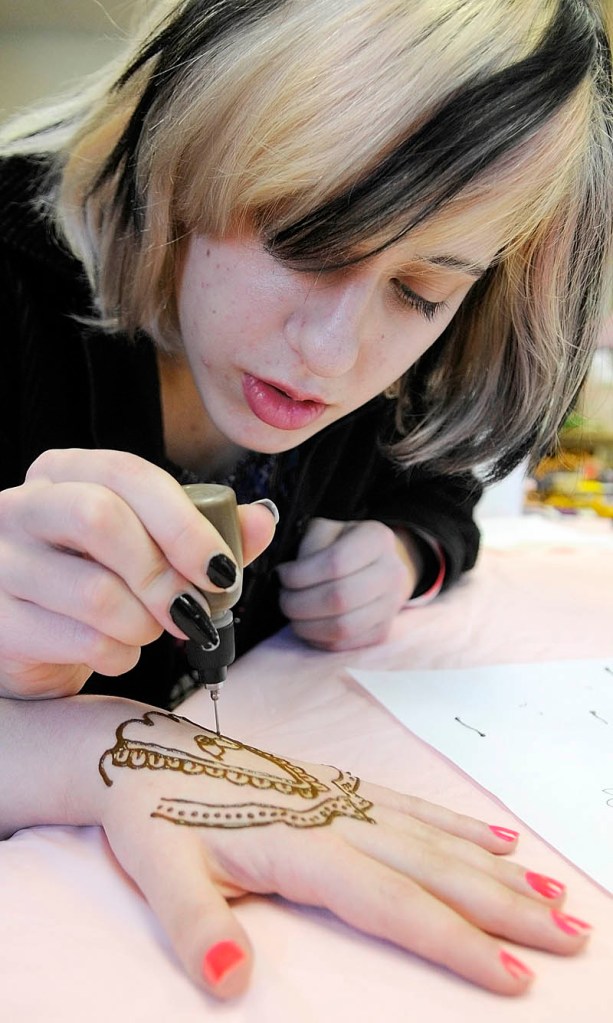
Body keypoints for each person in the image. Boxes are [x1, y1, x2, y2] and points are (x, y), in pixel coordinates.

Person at [0, 0, 611, 1002]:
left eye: (421, 289)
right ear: (188, 147)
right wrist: (93, 751)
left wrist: (408, 553)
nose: (332, 359)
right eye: (300, 236)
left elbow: (442, 492)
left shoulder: (393, 387)